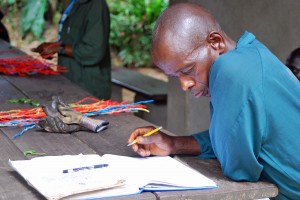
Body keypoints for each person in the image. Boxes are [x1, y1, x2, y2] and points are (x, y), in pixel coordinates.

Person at [127, 3, 300, 200]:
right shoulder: (249, 54)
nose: (184, 85)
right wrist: (173, 144)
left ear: (215, 42)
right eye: (176, 77)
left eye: (188, 70)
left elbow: (238, 170)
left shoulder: (233, 71)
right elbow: (239, 137)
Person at [32, 0, 111, 100]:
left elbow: (93, 50)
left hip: (88, 89)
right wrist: (53, 47)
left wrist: (59, 48)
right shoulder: (72, 3)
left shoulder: (95, 4)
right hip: (70, 83)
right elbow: (71, 40)